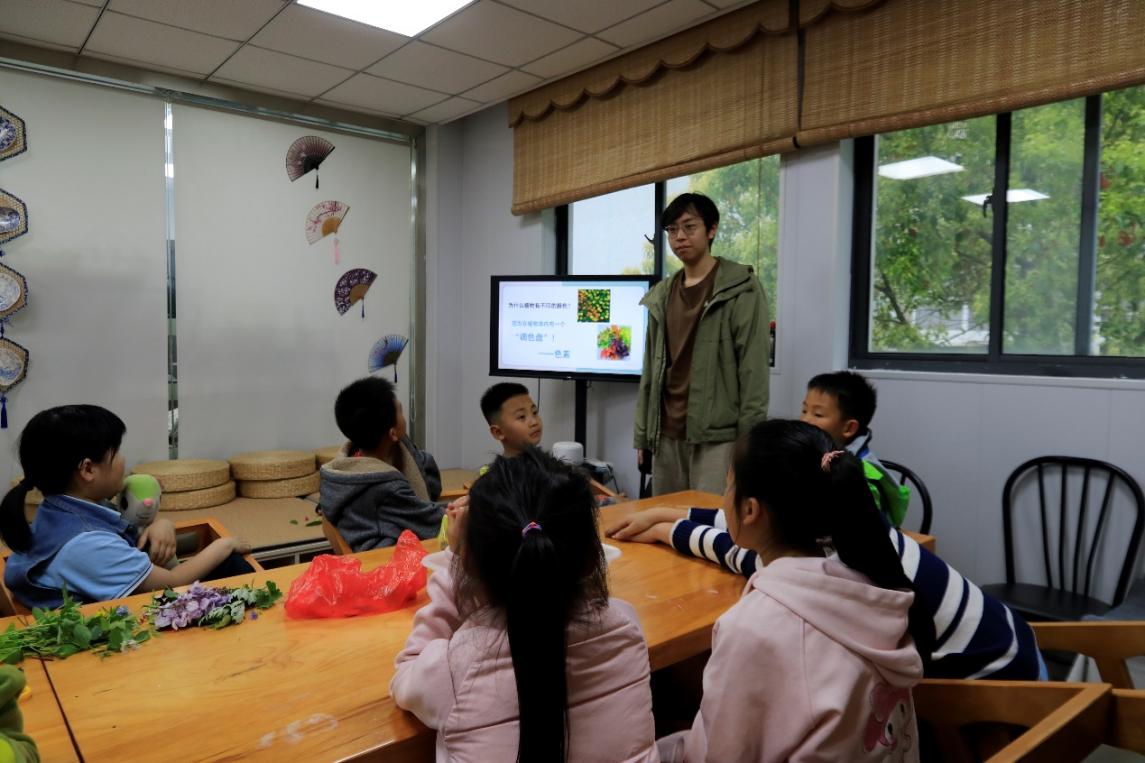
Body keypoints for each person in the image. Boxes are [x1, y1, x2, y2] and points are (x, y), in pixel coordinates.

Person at [658, 420, 923, 762]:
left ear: (750, 510)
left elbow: (723, 752)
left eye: (728, 486)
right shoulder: (871, 581)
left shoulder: (751, 628)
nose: (724, 498)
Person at [391, 448, 658, 762]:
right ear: (590, 557)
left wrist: (454, 561)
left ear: (471, 562)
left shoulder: (453, 668)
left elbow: (405, 676)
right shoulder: (627, 624)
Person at [0, 405, 252, 610]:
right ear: (88, 469)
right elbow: (173, 582)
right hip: (116, 631)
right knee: (232, 564)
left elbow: (130, 523)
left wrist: (161, 523)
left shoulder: (58, 509)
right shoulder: (88, 545)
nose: (123, 460)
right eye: (116, 452)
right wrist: (225, 544)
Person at [634, 192, 770, 496]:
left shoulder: (741, 288)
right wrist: (644, 435)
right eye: (672, 230)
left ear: (711, 229)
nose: (679, 237)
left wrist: (749, 444)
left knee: (712, 519)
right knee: (665, 518)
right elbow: (650, 371)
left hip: (718, 437)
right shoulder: (662, 294)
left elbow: (753, 372)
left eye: (689, 227)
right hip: (666, 434)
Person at [320, 376, 445, 552]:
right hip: (387, 558)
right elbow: (433, 523)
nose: (404, 418)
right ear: (392, 433)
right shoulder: (385, 487)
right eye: (401, 411)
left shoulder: (351, 460)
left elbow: (432, 486)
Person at [801, 370, 909, 525]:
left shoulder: (862, 477)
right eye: (804, 410)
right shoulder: (817, 451)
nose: (805, 419)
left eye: (818, 414)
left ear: (849, 428)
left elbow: (863, 529)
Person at [479, 382, 543, 458]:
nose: (534, 422)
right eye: (521, 416)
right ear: (498, 432)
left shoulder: (549, 463)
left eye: (534, 412)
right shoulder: (499, 467)